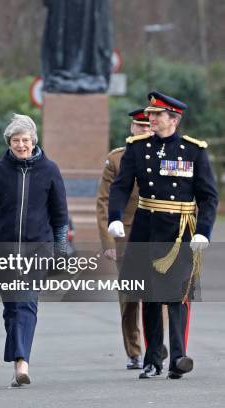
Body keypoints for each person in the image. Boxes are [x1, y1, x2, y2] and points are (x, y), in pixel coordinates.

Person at [108, 91, 218, 380]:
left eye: (157, 115)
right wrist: (115, 217)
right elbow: (120, 186)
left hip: (179, 231)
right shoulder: (136, 148)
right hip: (146, 228)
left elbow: (208, 196)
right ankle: (152, 358)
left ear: (174, 119)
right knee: (149, 296)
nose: (151, 119)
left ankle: (178, 357)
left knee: (177, 295)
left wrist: (204, 231)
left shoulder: (194, 151)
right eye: (151, 114)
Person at [0, 114, 68, 386]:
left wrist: (60, 250)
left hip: (36, 248)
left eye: (25, 140)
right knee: (11, 308)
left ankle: (22, 363)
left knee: (26, 301)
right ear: (9, 142)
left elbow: (60, 214)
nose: (21, 145)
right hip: (4, 249)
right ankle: (18, 358)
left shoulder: (49, 170)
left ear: (33, 141)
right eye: (16, 140)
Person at [96, 109, 168, 370]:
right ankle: (134, 351)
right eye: (139, 127)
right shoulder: (117, 159)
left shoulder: (166, 155)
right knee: (130, 298)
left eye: (148, 127)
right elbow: (104, 202)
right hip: (126, 237)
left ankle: (155, 345)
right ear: (132, 129)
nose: (144, 131)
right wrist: (108, 243)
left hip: (158, 235)